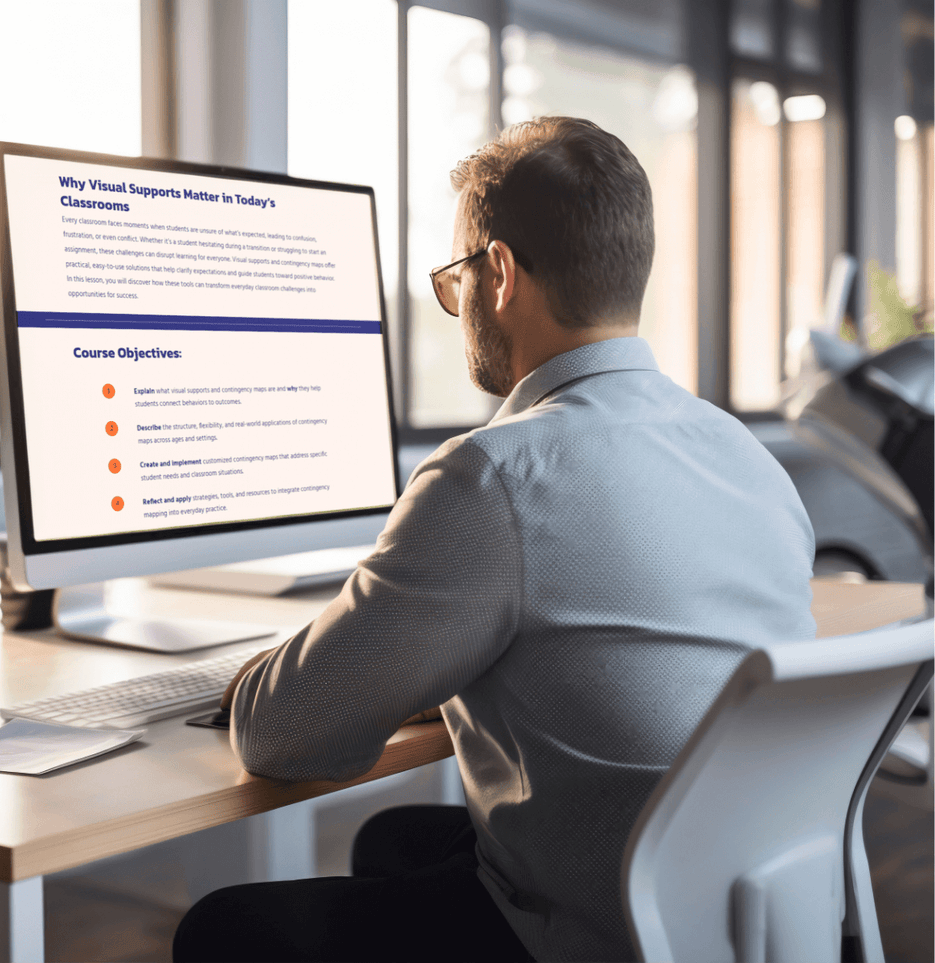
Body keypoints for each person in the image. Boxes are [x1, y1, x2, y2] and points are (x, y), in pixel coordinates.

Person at [172, 117, 816, 963]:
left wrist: (262, 674)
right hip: (759, 919)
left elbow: (284, 734)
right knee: (399, 838)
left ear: (500, 273)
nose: (458, 302)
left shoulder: (495, 474)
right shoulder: (745, 453)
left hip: (605, 935)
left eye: (455, 277)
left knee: (223, 930)